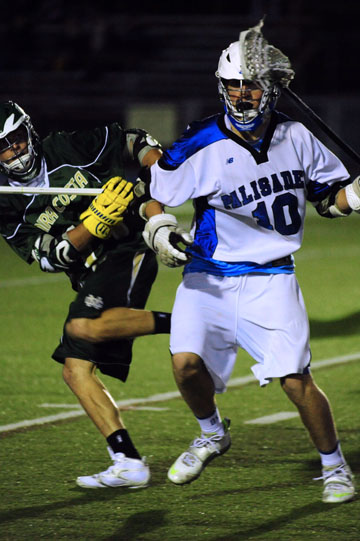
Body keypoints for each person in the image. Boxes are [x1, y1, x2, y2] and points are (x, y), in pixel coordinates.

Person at [139, 21, 356, 503]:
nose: (241, 94)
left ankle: (334, 465)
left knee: (296, 381)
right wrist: (158, 228)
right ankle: (212, 433)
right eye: (233, 84)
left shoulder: (297, 136)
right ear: (221, 88)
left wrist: (354, 197)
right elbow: (156, 195)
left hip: (272, 275)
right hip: (209, 275)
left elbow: (327, 199)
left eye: (251, 84)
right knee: (185, 365)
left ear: (269, 89)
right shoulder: (200, 141)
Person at [0, 100, 191, 489]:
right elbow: (55, 257)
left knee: (84, 327)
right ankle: (127, 461)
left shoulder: (66, 149)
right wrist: (94, 223)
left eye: (17, 139)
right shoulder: (6, 202)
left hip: (128, 248)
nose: (14, 151)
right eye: (3, 146)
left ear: (30, 133)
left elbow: (132, 140)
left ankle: (194, 321)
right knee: (75, 369)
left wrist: (160, 176)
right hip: (92, 271)